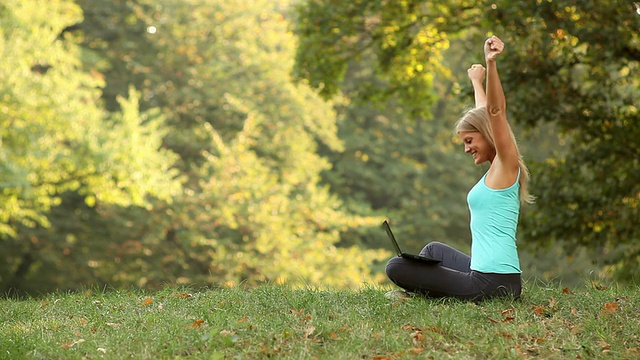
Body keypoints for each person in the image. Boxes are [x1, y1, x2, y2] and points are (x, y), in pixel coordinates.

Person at [385, 35, 534, 301]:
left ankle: (419, 294)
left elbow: (495, 113)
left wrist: (492, 64)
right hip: (487, 275)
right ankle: (431, 290)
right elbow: (484, 114)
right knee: (433, 251)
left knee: (395, 267)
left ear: (486, 135)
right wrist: (476, 82)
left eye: (469, 141)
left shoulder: (505, 165)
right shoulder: (496, 168)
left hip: (494, 284)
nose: (466, 148)